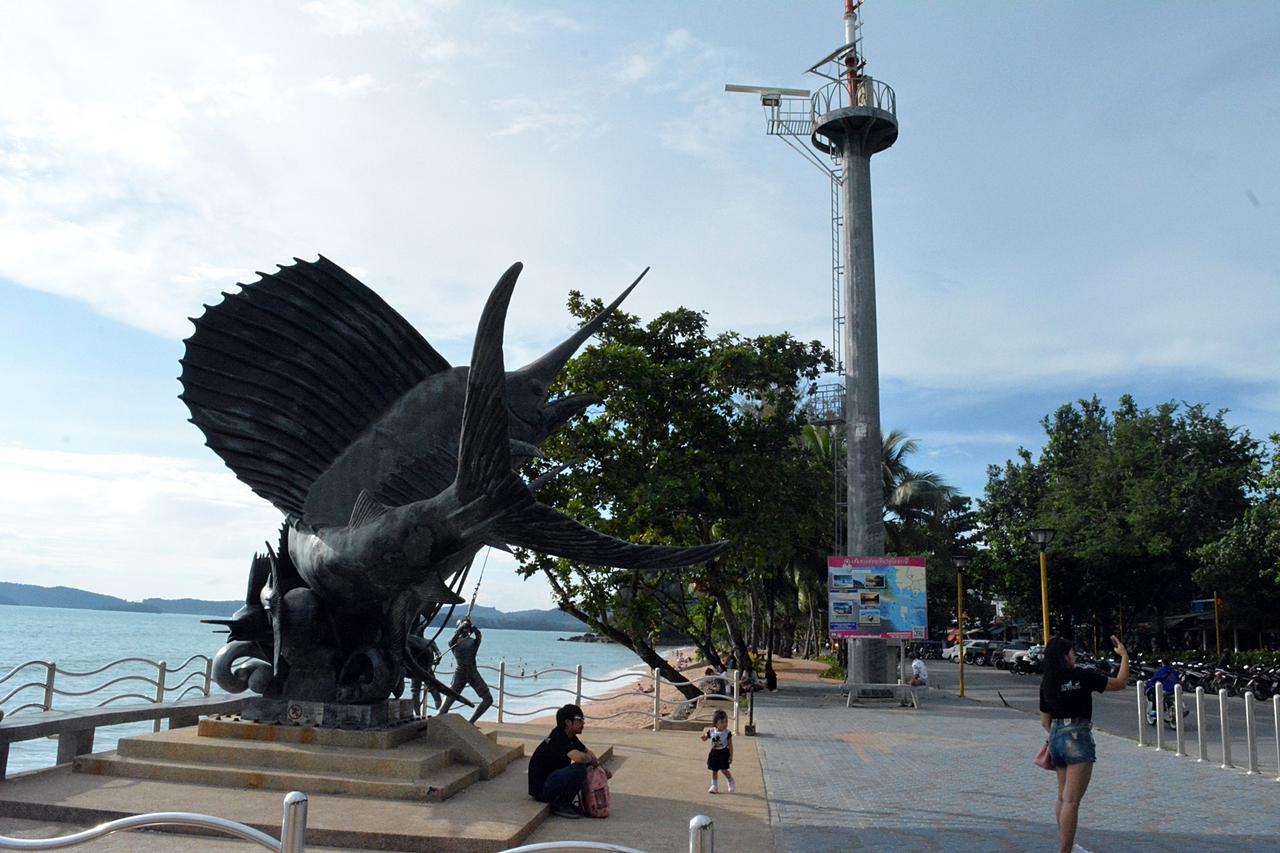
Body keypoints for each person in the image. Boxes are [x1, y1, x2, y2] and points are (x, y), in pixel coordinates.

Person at [1039, 634, 1129, 853]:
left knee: (1063, 797)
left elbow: (1045, 721)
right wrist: (1124, 656)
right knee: (1071, 800)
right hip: (1078, 736)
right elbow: (1120, 683)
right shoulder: (1082, 676)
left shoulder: (1047, 683)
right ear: (1064, 656)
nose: (1074, 655)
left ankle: (1067, 844)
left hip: (1057, 737)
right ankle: (1065, 850)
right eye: (1072, 652)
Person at [527, 704, 610, 819]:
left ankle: (566, 802)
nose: (583, 723)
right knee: (579, 769)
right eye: (579, 720)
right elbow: (579, 758)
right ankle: (561, 803)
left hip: (551, 780)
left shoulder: (570, 737)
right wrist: (590, 760)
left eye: (583, 719)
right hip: (542, 789)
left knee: (585, 765)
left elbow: (587, 752)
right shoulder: (558, 737)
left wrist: (599, 767)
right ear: (568, 722)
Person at [437, 618, 493, 723]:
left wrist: (474, 629)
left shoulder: (473, 642)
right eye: (464, 628)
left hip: (473, 673)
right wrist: (462, 626)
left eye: (466, 629)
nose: (465, 630)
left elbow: (479, 636)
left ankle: (471, 722)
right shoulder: (454, 643)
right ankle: (435, 723)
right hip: (460, 674)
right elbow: (451, 640)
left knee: (488, 699)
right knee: (446, 705)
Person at [700, 708, 735, 794]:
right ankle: (714, 786)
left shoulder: (727, 733)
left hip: (723, 753)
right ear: (716, 723)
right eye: (722, 722)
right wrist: (704, 737)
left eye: (726, 722)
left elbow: (730, 745)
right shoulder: (712, 731)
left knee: (724, 770)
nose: (725, 724)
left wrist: (730, 756)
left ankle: (730, 780)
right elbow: (706, 736)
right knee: (714, 769)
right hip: (714, 753)